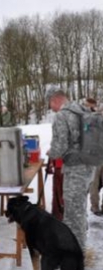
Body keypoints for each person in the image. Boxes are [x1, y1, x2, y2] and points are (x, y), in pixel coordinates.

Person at [46, 86, 94, 251]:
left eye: (50, 104)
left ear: (54, 99)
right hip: (89, 167)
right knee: (80, 208)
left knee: (73, 214)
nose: (51, 108)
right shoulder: (82, 110)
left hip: (75, 170)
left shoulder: (62, 115)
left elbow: (60, 147)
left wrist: (50, 152)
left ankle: (75, 253)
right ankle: (79, 244)